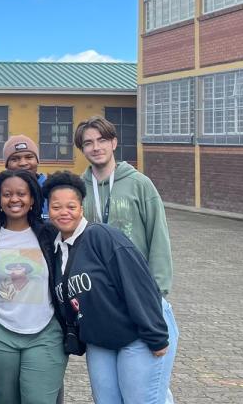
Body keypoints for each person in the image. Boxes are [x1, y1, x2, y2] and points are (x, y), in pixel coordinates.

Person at [43, 171, 176, 404]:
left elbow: (138, 283)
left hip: (139, 331)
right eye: (56, 207)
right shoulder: (56, 249)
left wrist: (155, 334)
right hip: (100, 339)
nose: (64, 212)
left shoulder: (102, 237)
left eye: (71, 206)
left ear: (81, 208)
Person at [75, 115, 179, 403]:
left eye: (102, 140)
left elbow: (159, 238)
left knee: (145, 394)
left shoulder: (139, 184)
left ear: (114, 142)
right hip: (101, 303)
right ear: (82, 149)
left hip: (140, 298)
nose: (96, 147)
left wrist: (156, 294)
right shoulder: (79, 189)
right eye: (88, 143)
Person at [0, 170, 66, 403]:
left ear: (32, 198)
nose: (14, 199)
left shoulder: (51, 234)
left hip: (46, 333)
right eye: (7, 194)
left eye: (21, 194)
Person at [3, 135, 49, 221]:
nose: (23, 163)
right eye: (15, 159)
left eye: (29, 157)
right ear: (7, 165)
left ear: (37, 161)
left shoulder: (51, 190)